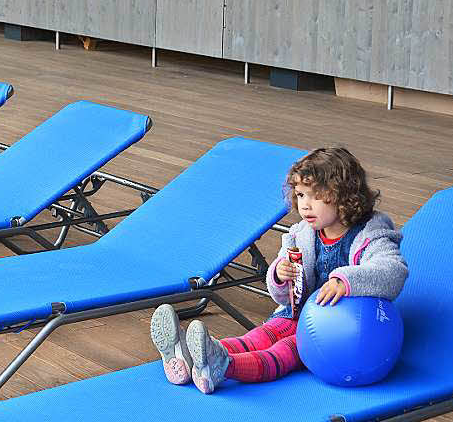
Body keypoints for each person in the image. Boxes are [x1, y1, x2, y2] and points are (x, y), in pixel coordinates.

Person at [149, 147, 408, 394]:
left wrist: (346, 281)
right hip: (294, 313)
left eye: (315, 196)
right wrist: (278, 276)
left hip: (335, 332)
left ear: (344, 196)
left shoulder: (370, 234)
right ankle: (190, 358)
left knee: (283, 351)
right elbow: (281, 295)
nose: (305, 205)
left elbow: (393, 271)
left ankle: (224, 366)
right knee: (258, 336)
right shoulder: (301, 235)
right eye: (300, 195)